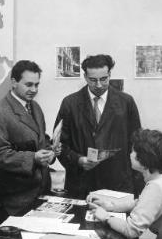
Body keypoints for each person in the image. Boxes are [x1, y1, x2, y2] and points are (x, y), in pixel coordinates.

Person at [54, 54, 141, 198]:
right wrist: (78, 160)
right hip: (81, 183)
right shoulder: (70, 103)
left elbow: (137, 143)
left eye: (104, 79)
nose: (99, 85)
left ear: (110, 75)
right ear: (85, 77)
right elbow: (59, 145)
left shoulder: (126, 102)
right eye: (93, 80)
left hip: (118, 183)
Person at [0, 60, 56, 222]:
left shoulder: (35, 107)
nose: (34, 90)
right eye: (29, 84)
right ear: (14, 82)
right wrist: (33, 158)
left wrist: (50, 151)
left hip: (40, 192)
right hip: (15, 200)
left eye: (37, 85)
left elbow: (40, 139)